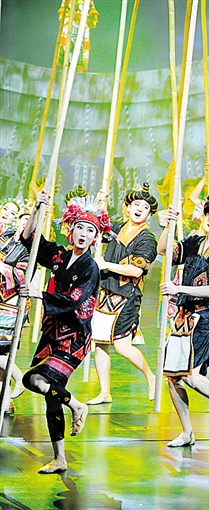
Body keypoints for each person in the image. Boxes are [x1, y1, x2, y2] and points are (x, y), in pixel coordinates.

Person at [19, 191, 109, 474]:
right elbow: (29, 239)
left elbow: (74, 300)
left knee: (33, 379)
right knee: (50, 396)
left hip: (74, 338)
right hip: (51, 334)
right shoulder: (60, 256)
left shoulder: (90, 267)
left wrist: (37, 294)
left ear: (95, 238)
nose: (83, 234)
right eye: (80, 227)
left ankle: (77, 405)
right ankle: (60, 458)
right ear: (71, 230)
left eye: (90, 230)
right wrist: (37, 207)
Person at [158, 180, 209, 447]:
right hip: (183, 319)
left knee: (190, 375)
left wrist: (178, 288)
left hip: (205, 320)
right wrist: (168, 225)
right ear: (207, 214)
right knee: (173, 377)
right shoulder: (195, 241)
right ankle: (187, 432)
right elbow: (164, 250)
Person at [87, 184, 158, 405]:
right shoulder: (117, 227)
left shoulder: (147, 239)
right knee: (100, 343)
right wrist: (100, 202)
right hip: (105, 292)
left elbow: (136, 270)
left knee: (122, 346)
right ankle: (104, 392)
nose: (139, 209)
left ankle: (151, 377)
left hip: (127, 295)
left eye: (145, 207)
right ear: (127, 208)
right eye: (136, 204)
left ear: (149, 214)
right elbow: (96, 226)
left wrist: (106, 264)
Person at [0, 202, 32, 414]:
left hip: (10, 305)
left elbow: (22, 276)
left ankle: (19, 379)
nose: (25, 223)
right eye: (23, 219)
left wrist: (2, 268)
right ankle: (6, 402)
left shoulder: (30, 248)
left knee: (2, 351)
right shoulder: (6, 237)